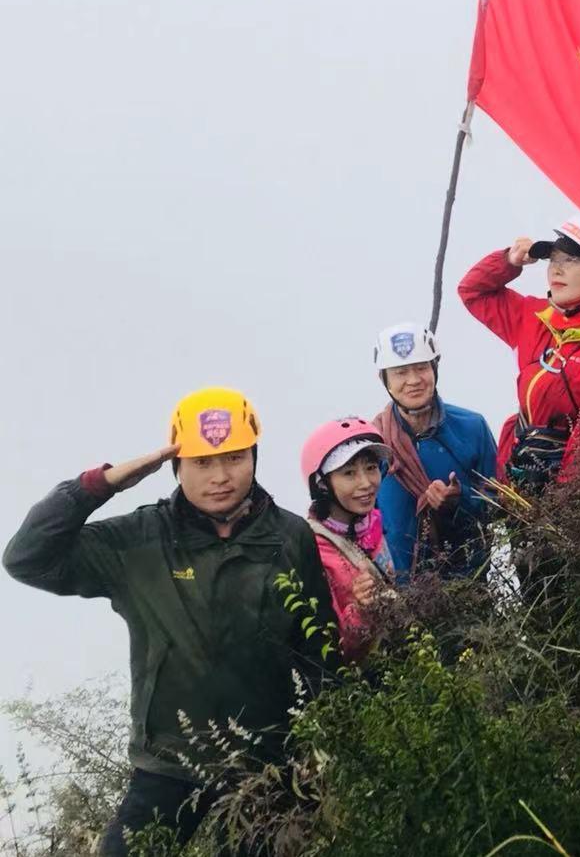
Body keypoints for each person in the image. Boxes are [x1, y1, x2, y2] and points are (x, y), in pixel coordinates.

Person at [3, 388, 336, 856]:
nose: (221, 476)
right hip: (166, 766)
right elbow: (26, 559)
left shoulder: (288, 535)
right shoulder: (139, 538)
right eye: (202, 462)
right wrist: (101, 484)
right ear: (176, 466)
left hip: (265, 765)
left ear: (254, 457)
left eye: (235, 457)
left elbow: (318, 645)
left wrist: (321, 750)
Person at [459, 213, 580, 488]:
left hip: (563, 498)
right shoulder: (533, 316)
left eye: (571, 260)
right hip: (515, 475)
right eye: (554, 259)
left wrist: (552, 512)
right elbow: (473, 291)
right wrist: (508, 262)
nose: (556, 269)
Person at [370, 322, 497, 580]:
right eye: (400, 372)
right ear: (385, 380)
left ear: (434, 368)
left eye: (421, 368)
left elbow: (500, 502)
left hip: (468, 587)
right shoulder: (373, 444)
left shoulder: (471, 428)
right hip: (398, 594)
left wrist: (459, 499)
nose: (414, 380)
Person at [301, 418, 396, 661]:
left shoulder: (373, 524)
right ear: (322, 484)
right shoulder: (313, 548)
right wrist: (361, 609)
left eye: (371, 468)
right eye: (349, 473)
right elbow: (331, 650)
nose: (366, 483)